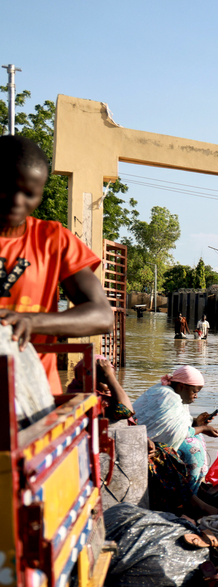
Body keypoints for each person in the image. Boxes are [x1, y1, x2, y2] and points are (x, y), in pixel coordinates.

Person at [0, 135, 113, 394]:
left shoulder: (53, 239)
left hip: (31, 394)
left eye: (29, 194)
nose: (17, 202)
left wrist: (31, 322)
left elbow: (102, 315)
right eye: (6, 188)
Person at [133, 365, 218, 517]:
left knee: (196, 440)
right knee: (192, 449)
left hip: (153, 440)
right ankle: (189, 502)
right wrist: (203, 429)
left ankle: (192, 496)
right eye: (194, 392)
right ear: (182, 386)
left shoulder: (172, 394)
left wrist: (196, 422)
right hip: (147, 443)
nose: (196, 396)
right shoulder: (169, 397)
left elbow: (177, 425)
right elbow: (174, 432)